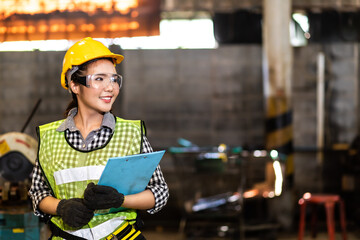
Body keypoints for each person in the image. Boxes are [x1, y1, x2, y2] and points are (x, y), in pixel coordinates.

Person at [29, 37, 169, 240]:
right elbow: (37, 192)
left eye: (114, 79)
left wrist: (121, 200)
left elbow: (160, 192)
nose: (111, 87)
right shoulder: (50, 138)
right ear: (74, 85)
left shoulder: (131, 134)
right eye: (100, 78)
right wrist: (61, 207)